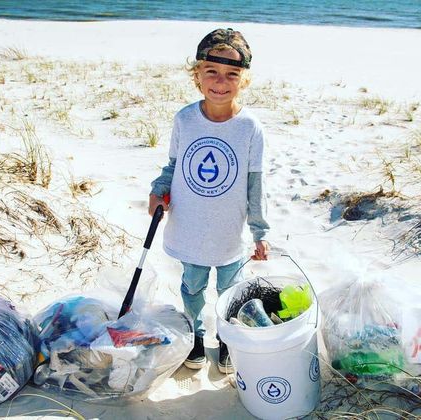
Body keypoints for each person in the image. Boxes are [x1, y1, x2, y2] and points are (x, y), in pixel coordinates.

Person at [148, 28, 270, 374]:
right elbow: (172, 166)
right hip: (190, 227)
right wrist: (158, 191)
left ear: (243, 80)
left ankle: (229, 339)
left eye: (232, 74)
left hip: (231, 233)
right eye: (211, 72)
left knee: (231, 291)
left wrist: (260, 233)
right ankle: (196, 336)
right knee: (193, 286)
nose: (220, 82)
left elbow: (255, 183)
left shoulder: (250, 128)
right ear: (197, 74)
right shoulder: (185, 119)